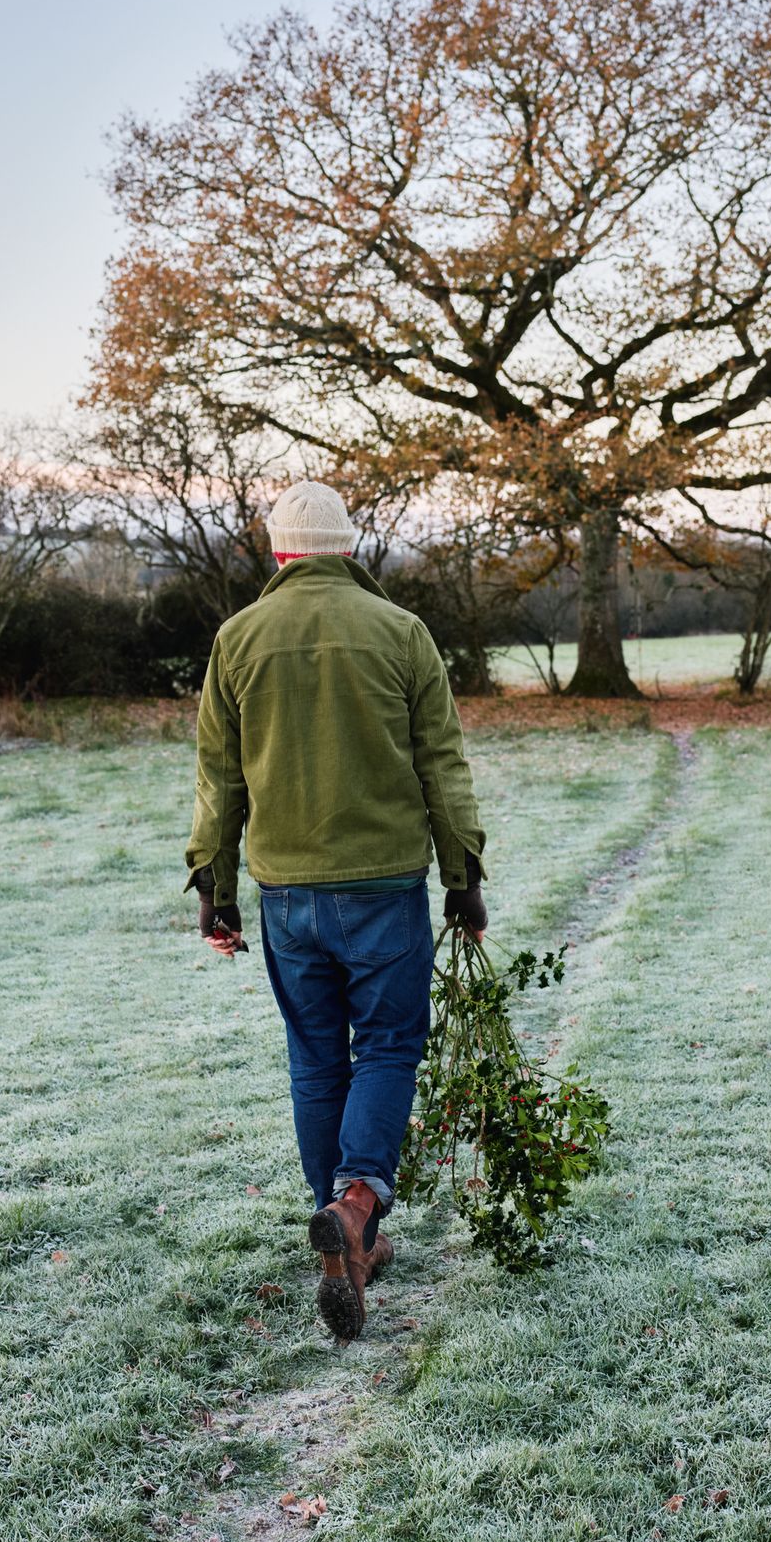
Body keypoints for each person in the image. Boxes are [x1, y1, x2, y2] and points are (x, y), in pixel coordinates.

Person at [185, 482, 488, 1341]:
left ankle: (348, 1246)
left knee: (317, 1061)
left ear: (279, 554)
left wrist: (216, 890)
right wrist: (463, 877)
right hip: (385, 886)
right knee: (389, 1043)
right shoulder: (401, 633)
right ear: (351, 548)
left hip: (286, 896)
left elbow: (219, 779)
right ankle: (356, 1203)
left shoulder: (237, 639)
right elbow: (444, 765)